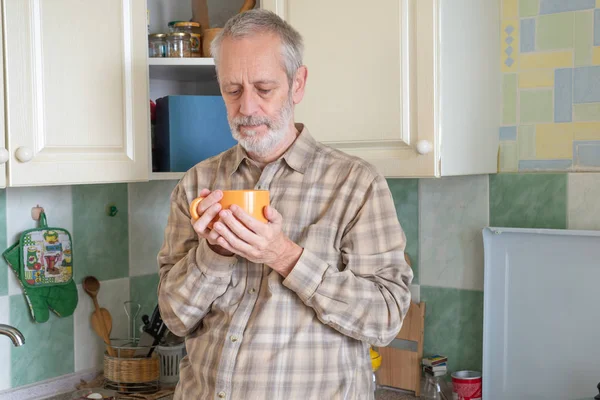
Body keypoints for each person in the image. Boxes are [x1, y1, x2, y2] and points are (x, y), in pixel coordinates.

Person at [157, 9, 413, 400]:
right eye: (232, 90)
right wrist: (213, 254)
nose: (246, 108)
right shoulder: (196, 184)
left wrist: (284, 255)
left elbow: (386, 318)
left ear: (298, 84)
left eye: (263, 88)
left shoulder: (356, 184)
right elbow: (174, 319)